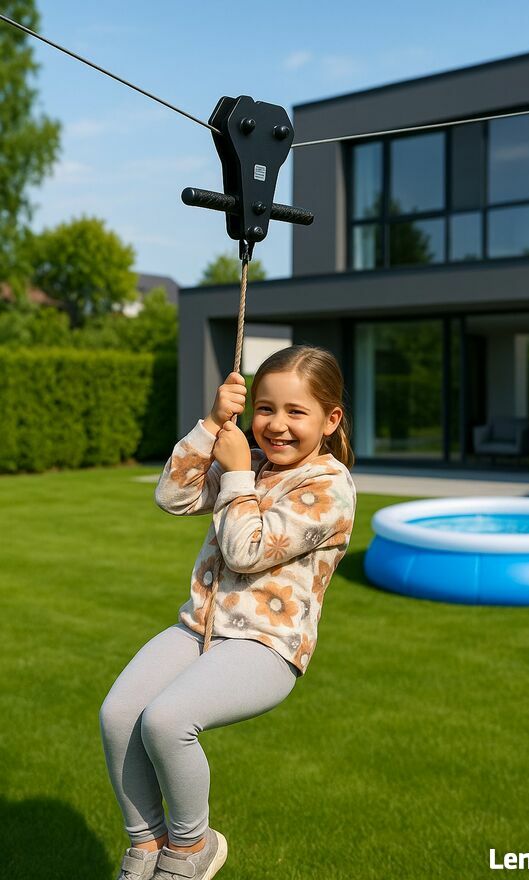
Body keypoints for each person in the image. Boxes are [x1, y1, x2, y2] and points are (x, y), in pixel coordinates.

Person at [99, 344, 357, 880]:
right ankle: (147, 845)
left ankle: (191, 848)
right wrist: (212, 425)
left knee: (167, 722)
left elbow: (247, 551)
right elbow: (174, 496)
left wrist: (237, 474)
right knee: (119, 715)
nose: (276, 425)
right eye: (265, 408)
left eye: (295, 411)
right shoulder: (252, 462)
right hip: (200, 628)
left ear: (330, 420)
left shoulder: (329, 487)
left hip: (265, 647)